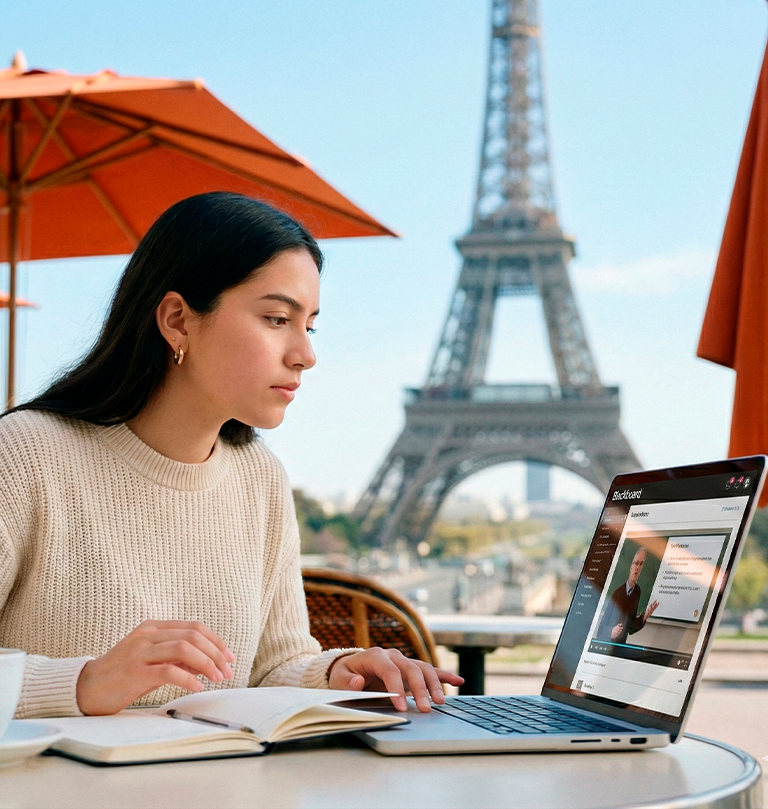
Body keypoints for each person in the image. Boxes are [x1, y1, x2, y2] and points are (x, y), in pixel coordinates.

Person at [0, 192, 463, 718]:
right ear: (178, 320)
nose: (306, 355)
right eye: (276, 319)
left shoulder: (260, 476)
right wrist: (84, 684)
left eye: (309, 326)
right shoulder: (23, 454)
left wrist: (339, 673)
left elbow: (272, 668)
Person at [595, 547, 659, 644]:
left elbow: (630, 626)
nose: (638, 567)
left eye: (641, 564)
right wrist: (611, 632)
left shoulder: (637, 591)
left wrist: (645, 616)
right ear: (630, 567)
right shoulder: (617, 593)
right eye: (636, 563)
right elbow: (600, 631)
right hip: (607, 646)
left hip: (621, 645)